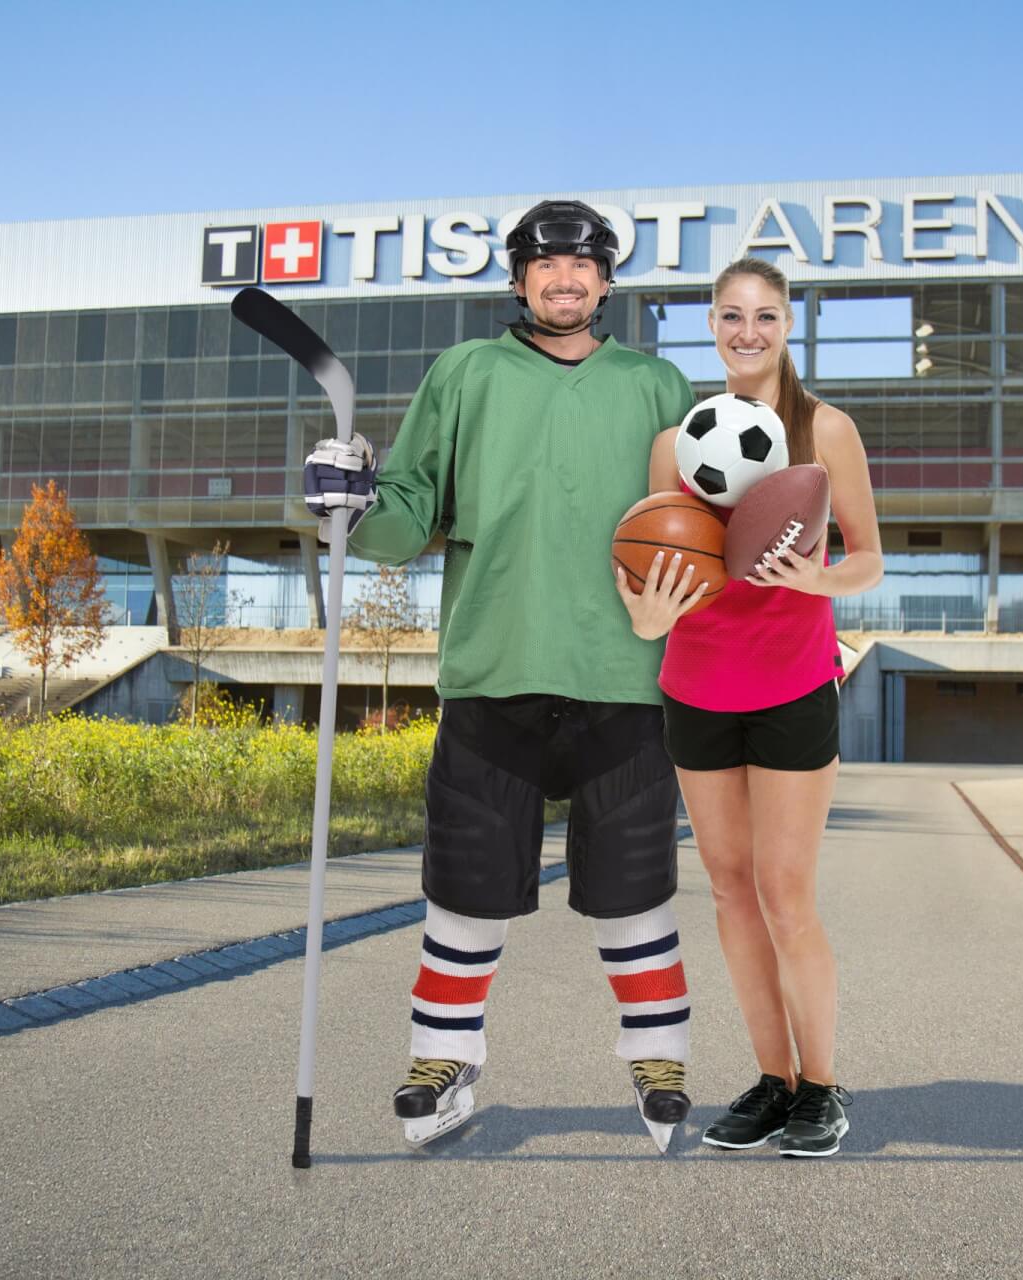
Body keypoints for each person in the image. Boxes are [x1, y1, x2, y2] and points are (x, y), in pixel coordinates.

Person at [305, 200, 698, 1150]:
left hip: (627, 677)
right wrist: (350, 503)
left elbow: (700, 520)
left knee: (633, 893)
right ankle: (442, 1059)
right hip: (492, 670)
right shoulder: (466, 373)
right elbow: (409, 511)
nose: (565, 279)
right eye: (546, 263)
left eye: (583, 265)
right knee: (466, 894)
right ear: (519, 277)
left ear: (607, 281)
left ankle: (660, 1060)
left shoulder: (659, 384)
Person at [614, 256, 883, 1158]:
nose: (747, 331)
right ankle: (773, 1079)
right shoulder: (675, 441)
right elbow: (646, 570)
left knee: (785, 893)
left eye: (765, 316)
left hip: (792, 684)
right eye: (731, 315)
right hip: (695, 685)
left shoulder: (826, 429)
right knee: (729, 889)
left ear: (787, 327)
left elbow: (869, 559)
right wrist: (644, 614)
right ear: (712, 325)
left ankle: (823, 1087)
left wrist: (822, 576)